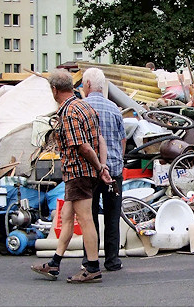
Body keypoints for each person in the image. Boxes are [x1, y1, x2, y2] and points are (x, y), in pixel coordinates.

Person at [31, 70, 112, 284]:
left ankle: (92, 267)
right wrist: (101, 166)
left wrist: (98, 166)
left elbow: (83, 147)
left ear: (54, 90)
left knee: (86, 220)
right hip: (83, 173)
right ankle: (55, 263)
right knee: (66, 216)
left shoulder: (68, 112)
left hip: (78, 172)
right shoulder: (86, 106)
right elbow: (100, 140)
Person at [80, 68, 126, 273]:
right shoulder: (114, 108)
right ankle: (112, 260)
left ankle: (90, 258)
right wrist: (118, 159)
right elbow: (122, 139)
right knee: (112, 215)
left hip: (89, 172)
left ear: (88, 84)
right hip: (113, 171)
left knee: (88, 217)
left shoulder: (81, 108)